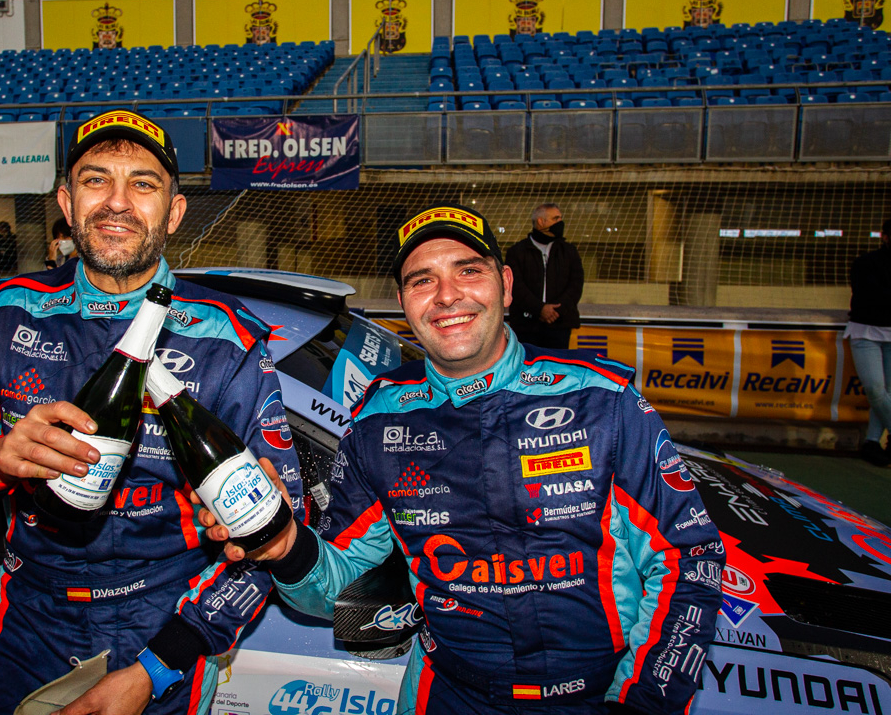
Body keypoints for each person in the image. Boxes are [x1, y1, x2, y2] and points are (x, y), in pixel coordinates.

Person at [202, 204, 724, 715]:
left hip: (599, 694)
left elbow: (689, 557)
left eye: (468, 271)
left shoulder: (600, 399)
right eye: (422, 280)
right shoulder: (377, 422)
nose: (447, 295)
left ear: (506, 285)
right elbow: (346, 584)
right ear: (403, 302)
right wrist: (287, 548)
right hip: (445, 693)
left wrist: (643, 702)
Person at [0, 109, 303, 715]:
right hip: (31, 622)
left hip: (167, 626)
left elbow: (273, 529)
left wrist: (157, 667)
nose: (117, 202)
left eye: (142, 184)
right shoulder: (9, 316)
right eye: (95, 180)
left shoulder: (227, 336)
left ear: (174, 212)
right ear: (67, 202)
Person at [846, 214, 891, 467]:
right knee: (874, 388)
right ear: (885, 237)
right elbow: (869, 294)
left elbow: (884, 296)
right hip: (865, 332)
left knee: (887, 392)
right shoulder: (865, 263)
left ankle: (872, 442)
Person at [503, 203, 584, 350]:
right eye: (555, 218)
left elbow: (576, 284)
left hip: (560, 325)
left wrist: (556, 311)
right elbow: (516, 286)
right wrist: (540, 309)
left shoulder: (569, 251)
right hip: (526, 326)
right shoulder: (517, 252)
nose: (560, 222)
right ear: (541, 222)